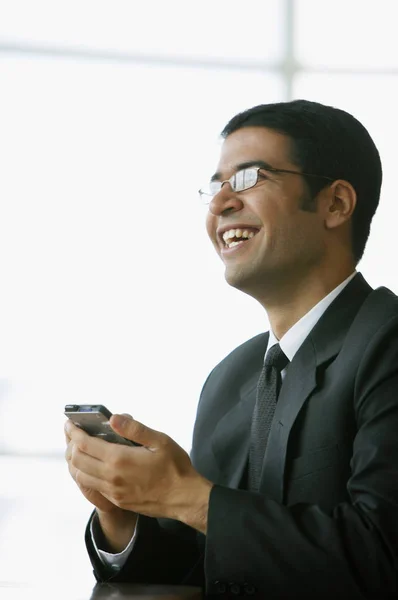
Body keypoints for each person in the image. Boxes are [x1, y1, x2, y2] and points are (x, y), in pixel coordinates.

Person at [65, 99, 398, 599]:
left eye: (247, 179)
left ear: (335, 204)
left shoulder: (387, 342)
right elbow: (205, 566)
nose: (221, 203)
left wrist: (188, 496)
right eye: (217, 185)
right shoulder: (231, 377)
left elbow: (382, 556)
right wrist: (123, 512)